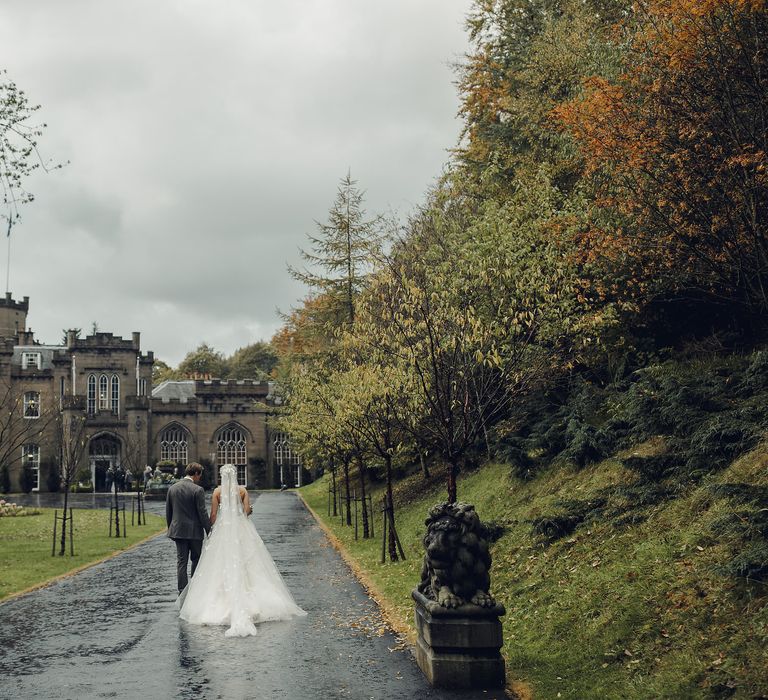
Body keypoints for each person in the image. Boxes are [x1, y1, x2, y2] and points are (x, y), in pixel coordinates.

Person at [178, 464, 306, 637]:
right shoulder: (243, 491)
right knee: (249, 562)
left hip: (224, 530)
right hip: (240, 529)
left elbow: (214, 516)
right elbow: (246, 512)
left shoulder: (217, 492)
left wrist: (212, 529)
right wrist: (248, 510)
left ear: (222, 477)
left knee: (219, 564)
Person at [166, 463, 211, 594]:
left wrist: (171, 529)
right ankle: (195, 589)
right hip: (194, 532)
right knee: (196, 559)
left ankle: (182, 591)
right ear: (196, 473)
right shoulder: (198, 490)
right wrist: (209, 531)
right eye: (200, 475)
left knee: (181, 562)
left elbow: (169, 511)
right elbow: (202, 513)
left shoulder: (172, 488)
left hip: (178, 531)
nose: (200, 478)